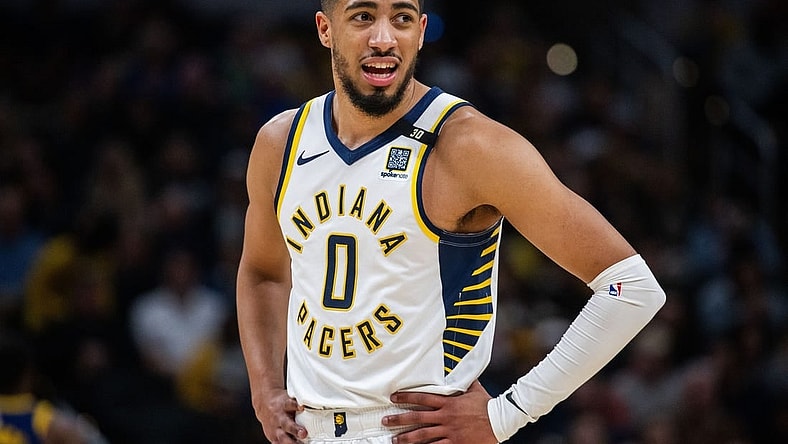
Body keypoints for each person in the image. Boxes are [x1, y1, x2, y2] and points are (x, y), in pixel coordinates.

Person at [236, 1, 666, 443]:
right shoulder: (281, 142)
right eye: (363, 17)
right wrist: (264, 388)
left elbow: (629, 288)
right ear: (326, 29)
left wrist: (508, 413)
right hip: (309, 430)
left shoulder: (468, 144)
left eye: (401, 19)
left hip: (415, 430)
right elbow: (264, 273)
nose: (384, 38)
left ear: (421, 31)